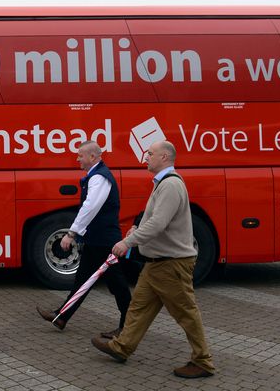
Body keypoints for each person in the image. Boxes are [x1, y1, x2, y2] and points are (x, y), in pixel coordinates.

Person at [90, 140, 215, 379]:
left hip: (171, 264)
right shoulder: (163, 184)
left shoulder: (170, 186)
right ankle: (122, 347)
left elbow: (159, 224)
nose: (145, 157)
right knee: (139, 308)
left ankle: (203, 361)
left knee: (186, 313)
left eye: (150, 153)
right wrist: (136, 229)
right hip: (157, 263)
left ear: (165, 158)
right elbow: (154, 219)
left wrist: (128, 242)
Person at [36, 140, 132, 339]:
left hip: (105, 241)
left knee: (118, 284)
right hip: (97, 239)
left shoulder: (100, 178)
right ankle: (61, 316)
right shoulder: (96, 176)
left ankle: (129, 326)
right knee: (83, 280)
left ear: (93, 157)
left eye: (80, 155)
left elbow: (90, 207)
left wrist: (71, 234)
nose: (77, 158)